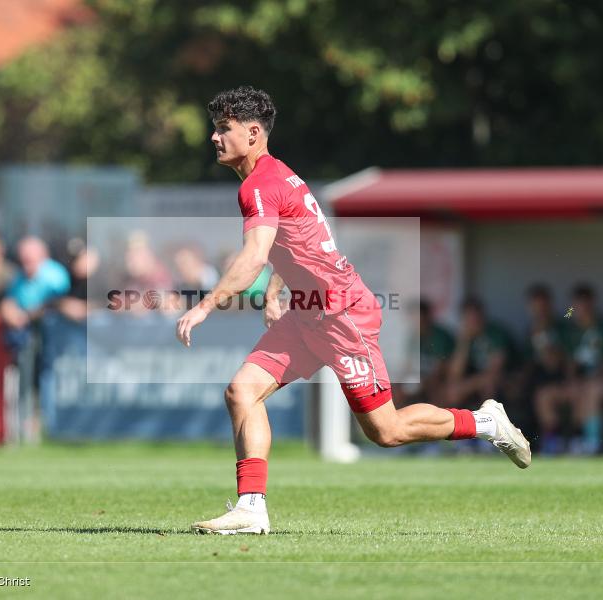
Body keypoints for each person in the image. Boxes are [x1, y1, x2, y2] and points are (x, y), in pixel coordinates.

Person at [176, 86, 530, 536]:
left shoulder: (260, 185)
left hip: (344, 318)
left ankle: (485, 421)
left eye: (223, 128)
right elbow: (301, 246)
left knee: (386, 431)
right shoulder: (277, 176)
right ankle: (251, 508)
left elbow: (252, 257)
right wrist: (273, 294)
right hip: (308, 315)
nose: (214, 137)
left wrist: (205, 305)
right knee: (241, 391)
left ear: (252, 133)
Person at [565, 284, 603, 454]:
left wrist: (596, 376)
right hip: (582, 381)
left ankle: (592, 442)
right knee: (575, 389)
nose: (581, 308)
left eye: (585, 303)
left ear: (592, 303)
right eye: (577, 304)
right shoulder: (572, 330)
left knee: (592, 389)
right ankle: (575, 439)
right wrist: (573, 379)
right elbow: (570, 364)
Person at [524, 284, 571, 453]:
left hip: (561, 379)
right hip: (536, 380)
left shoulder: (562, 326)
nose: (540, 311)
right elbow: (528, 362)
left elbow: (554, 363)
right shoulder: (530, 330)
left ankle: (552, 442)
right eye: (536, 307)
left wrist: (542, 339)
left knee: (543, 395)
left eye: (543, 306)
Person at [445, 297, 515, 409]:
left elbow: (495, 370)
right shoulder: (465, 337)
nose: (473, 321)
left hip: (506, 378)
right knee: (452, 392)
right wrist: (464, 342)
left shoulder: (496, 333)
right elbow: (454, 374)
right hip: (478, 379)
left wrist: (469, 385)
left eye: (475, 316)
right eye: (468, 317)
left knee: (488, 385)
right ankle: (460, 424)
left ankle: (490, 423)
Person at [0, 236, 70, 331]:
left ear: (42, 255)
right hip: (25, 327)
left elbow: (59, 303)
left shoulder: (55, 274)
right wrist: (8, 311)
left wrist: (28, 315)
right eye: (22, 259)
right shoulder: (20, 276)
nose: (25, 263)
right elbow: (9, 300)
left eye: (28, 259)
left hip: (52, 328)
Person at [397, 299, 454, 408]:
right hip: (421, 378)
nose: (414, 321)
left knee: (434, 388)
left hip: (442, 378)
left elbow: (440, 370)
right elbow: (407, 365)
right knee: (395, 390)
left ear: (426, 316)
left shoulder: (439, 336)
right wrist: (399, 383)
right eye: (412, 317)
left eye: (417, 316)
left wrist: (421, 383)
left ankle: (438, 420)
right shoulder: (414, 336)